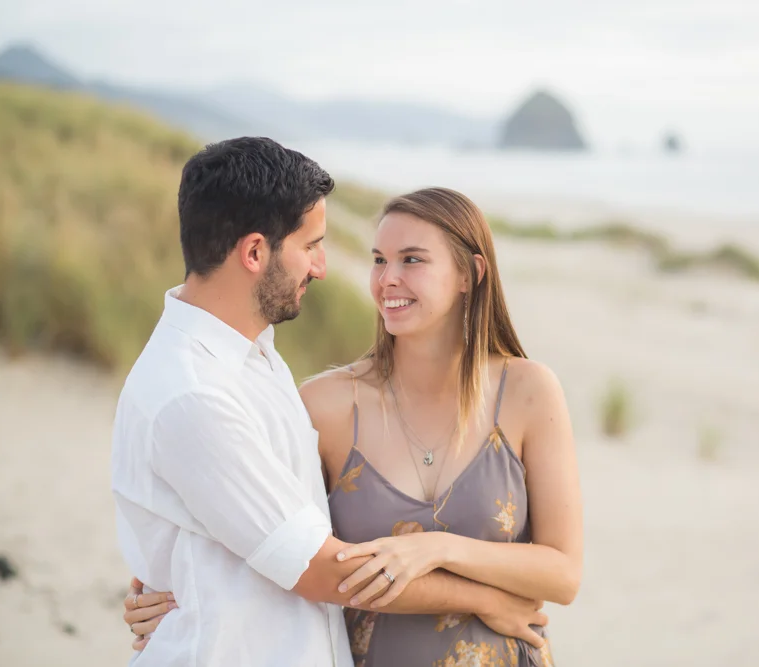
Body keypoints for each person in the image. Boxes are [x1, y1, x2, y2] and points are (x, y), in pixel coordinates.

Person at [111, 139, 548, 667]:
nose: (321, 267)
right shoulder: (195, 394)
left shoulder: (255, 360)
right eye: (311, 245)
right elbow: (323, 569)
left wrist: (174, 576)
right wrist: (485, 599)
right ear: (254, 253)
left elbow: (285, 521)